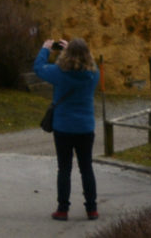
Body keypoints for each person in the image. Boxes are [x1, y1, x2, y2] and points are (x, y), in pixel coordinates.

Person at [34, 36, 99, 221]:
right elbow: (89, 63)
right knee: (86, 168)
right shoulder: (94, 73)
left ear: (66, 54)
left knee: (64, 169)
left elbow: (38, 68)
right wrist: (74, 48)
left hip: (63, 127)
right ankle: (91, 209)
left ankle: (63, 209)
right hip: (86, 127)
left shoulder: (58, 73)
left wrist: (45, 49)